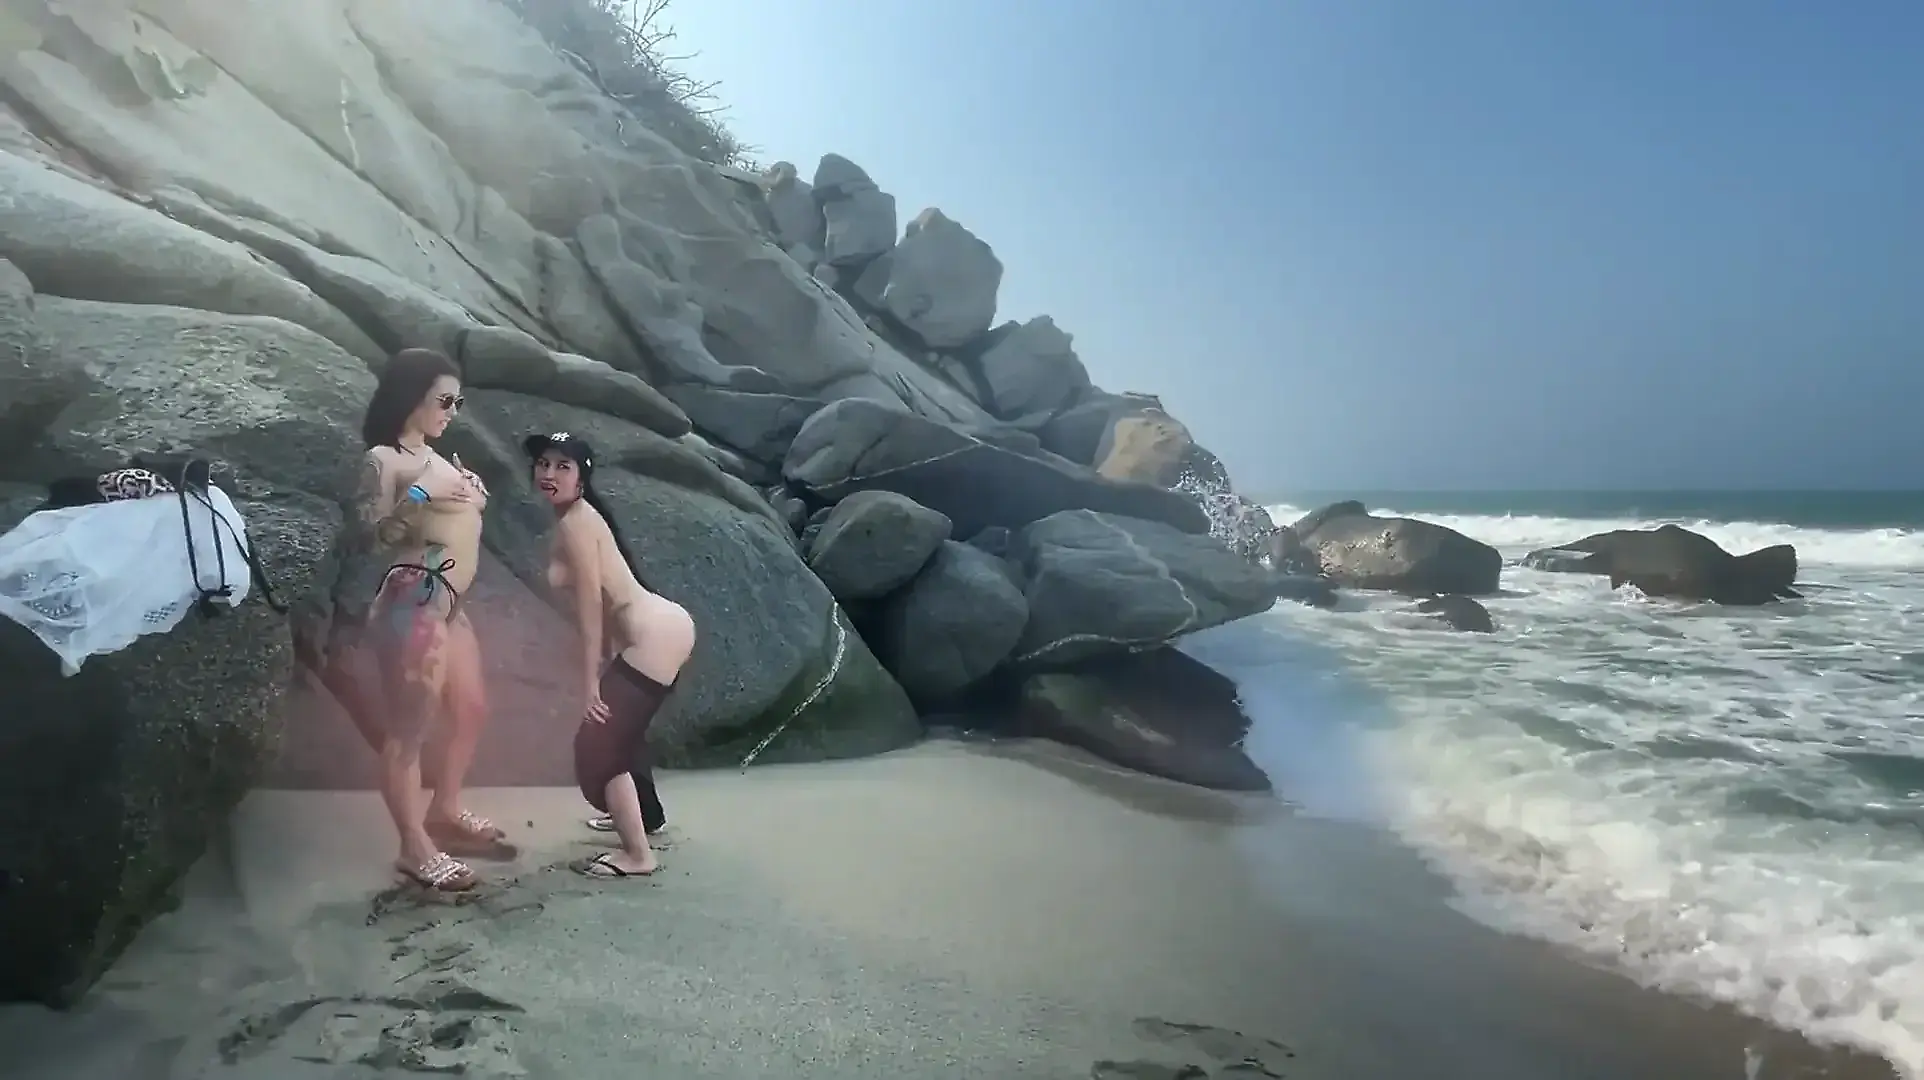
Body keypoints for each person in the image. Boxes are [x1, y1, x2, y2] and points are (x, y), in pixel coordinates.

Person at [318, 347, 503, 892]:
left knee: (471, 709)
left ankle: (444, 809)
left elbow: (454, 521)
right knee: (410, 728)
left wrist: (473, 497)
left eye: (458, 402)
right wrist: (421, 494)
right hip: (413, 602)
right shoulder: (384, 460)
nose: (452, 411)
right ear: (411, 398)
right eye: (444, 401)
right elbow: (371, 536)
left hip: (451, 605)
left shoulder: (440, 456)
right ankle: (413, 846)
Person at [525, 431, 696, 879]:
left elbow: (591, 606)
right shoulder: (574, 517)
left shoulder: (576, 523)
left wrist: (590, 685)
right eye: (543, 463)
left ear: (582, 477)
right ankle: (646, 818)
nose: (549, 473)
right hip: (659, 629)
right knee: (626, 735)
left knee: (599, 745)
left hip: (654, 636)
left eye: (563, 466)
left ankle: (638, 856)